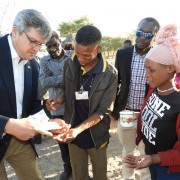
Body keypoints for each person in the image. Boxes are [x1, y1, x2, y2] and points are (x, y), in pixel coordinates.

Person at [0, 9, 67, 180]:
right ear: (15, 31)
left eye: (40, 45)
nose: (36, 49)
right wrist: (8, 125)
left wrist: (49, 123)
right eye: (33, 42)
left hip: (19, 142)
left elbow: (32, 103)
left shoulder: (33, 64)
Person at [46, 25, 118, 180]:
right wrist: (60, 99)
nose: (80, 59)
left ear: (99, 48)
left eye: (87, 55)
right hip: (71, 129)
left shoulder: (110, 74)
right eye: (77, 53)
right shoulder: (70, 62)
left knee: (100, 174)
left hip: (96, 134)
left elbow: (103, 111)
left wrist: (78, 130)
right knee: (79, 174)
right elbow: (68, 88)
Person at [123, 24, 180, 179]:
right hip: (152, 162)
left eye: (151, 70)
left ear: (170, 68)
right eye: (145, 68)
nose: (146, 75)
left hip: (170, 170)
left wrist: (154, 158)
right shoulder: (155, 89)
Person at [111, 17, 160, 180]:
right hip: (127, 113)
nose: (142, 37)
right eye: (139, 32)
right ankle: (127, 178)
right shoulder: (122, 54)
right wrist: (113, 110)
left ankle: (146, 177)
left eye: (148, 34)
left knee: (147, 151)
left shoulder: (158, 56)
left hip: (149, 114)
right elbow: (116, 83)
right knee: (128, 149)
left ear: (155, 36)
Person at [39, 31, 72, 180]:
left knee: (75, 139)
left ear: (60, 41)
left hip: (73, 106)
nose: (52, 49)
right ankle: (67, 169)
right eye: (48, 47)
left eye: (55, 45)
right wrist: (66, 76)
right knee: (61, 142)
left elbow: (76, 78)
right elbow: (44, 82)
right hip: (56, 108)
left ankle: (78, 168)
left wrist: (54, 77)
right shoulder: (44, 61)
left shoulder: (72, 56)